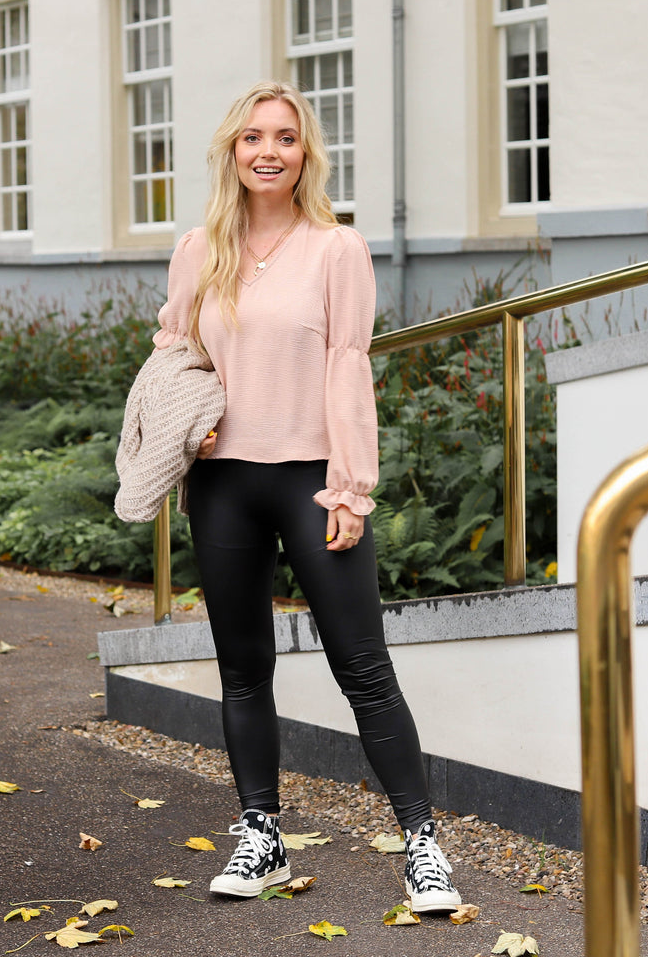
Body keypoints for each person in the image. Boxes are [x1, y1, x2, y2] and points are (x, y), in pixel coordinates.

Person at [152, 81, 462, 914]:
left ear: (304, 156)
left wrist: (352, 489)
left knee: (362, 665)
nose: (267, 151)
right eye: (252, 137)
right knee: (243, 670)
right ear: (231, 151)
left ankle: (423, 845)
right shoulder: (197, 250)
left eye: (284, 138)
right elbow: (174, 353)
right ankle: (262, 837)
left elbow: (346, 366)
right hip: (222, 485)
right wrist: (190, 426)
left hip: (311, 479)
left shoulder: (336, 250)